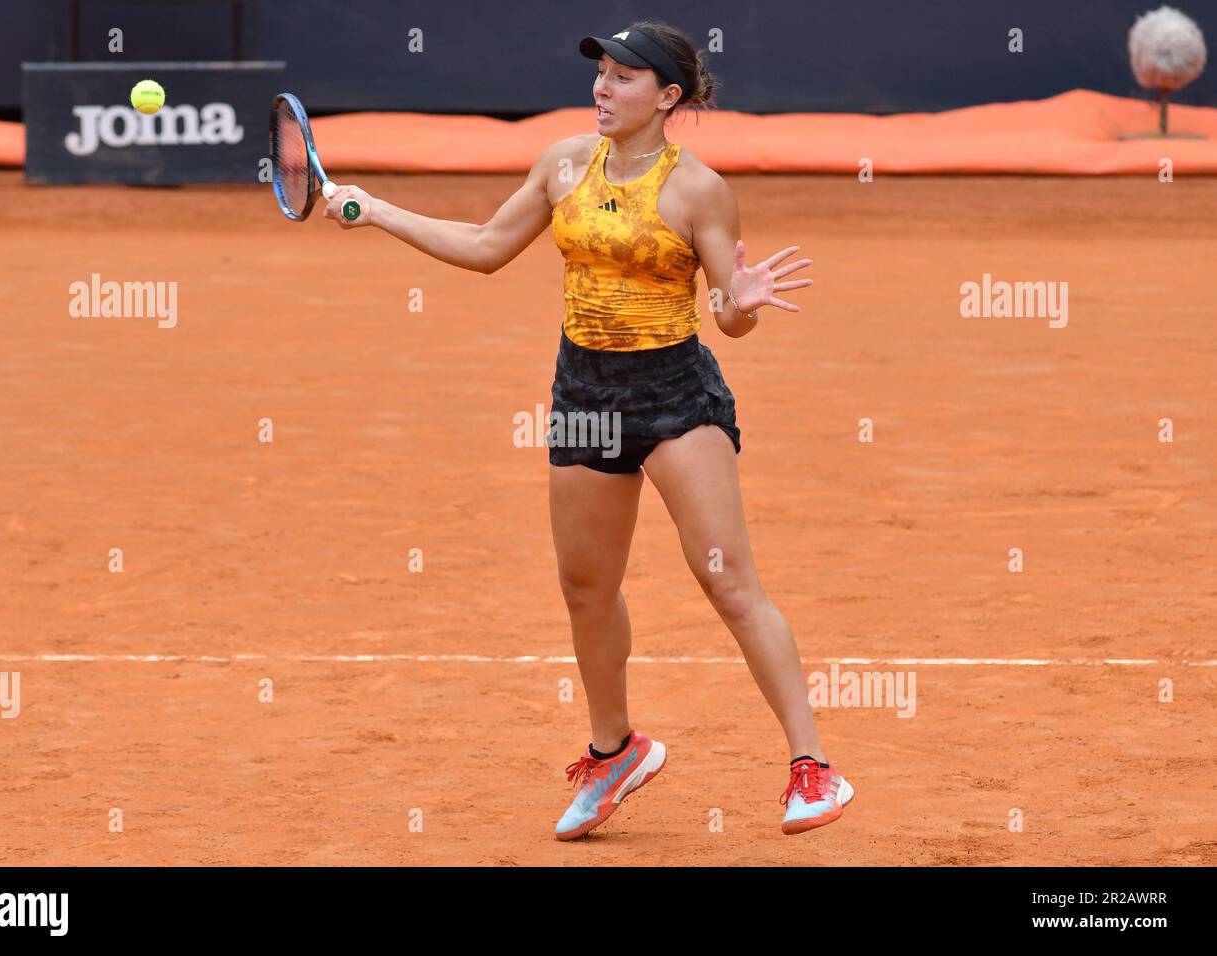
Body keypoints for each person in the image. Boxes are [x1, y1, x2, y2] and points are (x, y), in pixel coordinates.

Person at [322, 19, 855, 840]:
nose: (603, 89)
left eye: (624, 78)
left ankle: (811, 766)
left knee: (729, 583)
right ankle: (616, 751)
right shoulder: (564, 162)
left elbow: (725, 316)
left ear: (667, 97)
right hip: (587, 396)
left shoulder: (699, 189)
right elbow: (486, 247)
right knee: (585, 589)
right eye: (601, 74)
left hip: (676, 396)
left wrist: (738, 306)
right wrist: (376, 209)